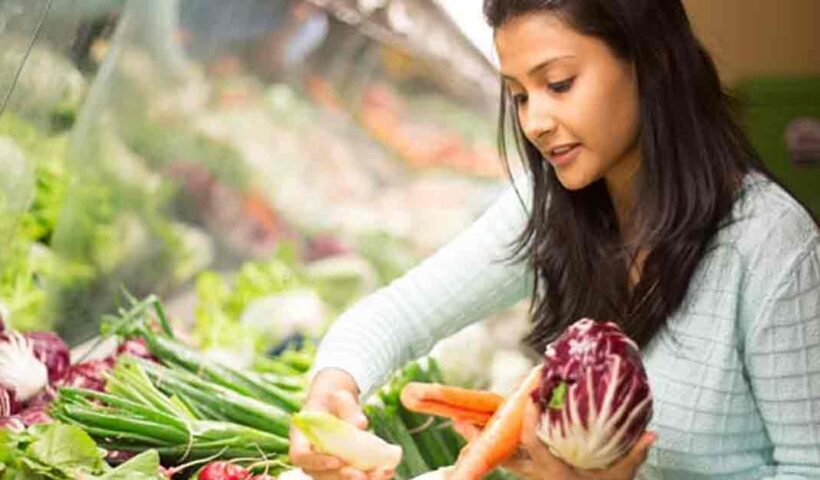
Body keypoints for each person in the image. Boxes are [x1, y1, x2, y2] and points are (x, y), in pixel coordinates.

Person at [289, 1, 820, 479]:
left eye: (559, 83)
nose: (534, 122)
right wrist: (334, 385)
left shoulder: (772, 246)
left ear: (650, 63)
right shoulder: (552, 206)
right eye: (519, 95)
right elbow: (402, 312)